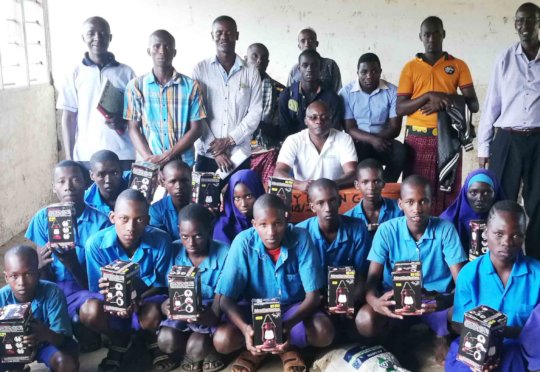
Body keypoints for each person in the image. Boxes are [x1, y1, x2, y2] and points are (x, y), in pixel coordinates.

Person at [212, 194, 334, 372]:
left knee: (324, 332)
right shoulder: (242, 242)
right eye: (263, 225)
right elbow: (225, 300)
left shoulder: (301, 238)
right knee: (222, 341)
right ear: (254, 224)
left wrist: (287, 325)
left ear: (286, 220)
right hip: (253, 313)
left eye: (277, 223)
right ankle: (258, 350)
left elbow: (313, 297)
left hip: (291, 310)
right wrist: (246, 329)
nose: (271, 232)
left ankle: (286, 348)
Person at [355, 175, 467, 364]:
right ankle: (395, 333)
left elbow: (462, 284)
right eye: (410, 202)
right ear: (400, 204)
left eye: (423, 201)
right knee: (365, 320)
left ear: (431, 203)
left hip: (435, 301)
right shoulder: (387, 230)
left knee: (465, 316)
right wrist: (375, 302)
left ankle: (440, 334)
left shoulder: (445, 230)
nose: (417, 208)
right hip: (395, 300)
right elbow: (372, 280)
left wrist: (443, 301)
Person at [80, 189, 174, 372]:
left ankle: (150, 338)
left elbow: (163, 286)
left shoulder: (161, 240)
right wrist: (115, 300)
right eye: (124, 219)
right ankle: (119, 338)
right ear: (112, 217)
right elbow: (96, 288)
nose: (131, 227)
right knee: (89, 311)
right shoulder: (95, 244)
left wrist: (138, 299)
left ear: (147, 221)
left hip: (146, 300)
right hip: (112, 304)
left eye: (139, 220)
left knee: (153, 311)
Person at [396, 16, 479, 215]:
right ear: (420, 37)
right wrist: (427, 96)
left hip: (448, 136)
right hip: (417, 138)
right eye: (427, 34)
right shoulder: (410, 67)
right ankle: (418, 237)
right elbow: (400, 108)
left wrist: (444, 100)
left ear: (443, 34)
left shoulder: (458, 65)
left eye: (435, 33)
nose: (431, 38)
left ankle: (446, 235)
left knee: (448, 191)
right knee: (417, 191)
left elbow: (473, 104)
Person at [25, 160, 110, 352]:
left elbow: (98, 282)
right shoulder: (43, 218)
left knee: (91, 320)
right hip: (54, 288)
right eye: (61, 182)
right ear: (54, 187)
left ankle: (85, 327)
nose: (68, 187)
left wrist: (72, 264)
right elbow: (44, 278)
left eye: (75, 180)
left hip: (85, 288)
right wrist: (40, 266)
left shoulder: (101, 223)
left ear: (86, 184)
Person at [445, 201, 540, 370]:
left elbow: (535, 332)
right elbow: (458, 323)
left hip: (518, 348)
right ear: (486, 234)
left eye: (516, 235)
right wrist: (481, 337)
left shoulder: (536, 274)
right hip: (475, 344)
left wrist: (504, 333)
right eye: (499, 234)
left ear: (524, 237)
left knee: (513, 361)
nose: (507, 242)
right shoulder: (468, 274)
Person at [477, 3, 540, 259]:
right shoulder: (504, 58)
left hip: (538, 140)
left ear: (539, 23)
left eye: (530, 21)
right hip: (507, 139)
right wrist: (484, 146)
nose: (524, 26)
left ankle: (535, 262)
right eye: (520, 21)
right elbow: (492, 103)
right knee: (501, 201)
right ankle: (497, 261)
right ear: (515, 25)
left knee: (538, 204)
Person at [57, 16, 135, 171]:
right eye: (91, 33)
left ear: (110, 37)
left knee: (124, 196)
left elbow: (137, 115)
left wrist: (122, 120)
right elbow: (69, 118)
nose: (97, 38)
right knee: (90, 195)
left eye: (103, 33)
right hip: (87, 156)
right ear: (83, 37)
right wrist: (70, 158)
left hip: (122, 154)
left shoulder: (126, 73)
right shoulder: (75, 73)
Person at [158, 204, 229, 372]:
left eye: (198, 236)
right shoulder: (173, 249)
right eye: (185, 236)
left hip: (211, 312)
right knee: (166, 340)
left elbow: (224, 296)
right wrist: (166, 306)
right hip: (181, 313)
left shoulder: (225, 253)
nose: (191, 243)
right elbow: (164, 290)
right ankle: (189, 349)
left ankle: (204, 349)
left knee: (197, 347)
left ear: (210, 230)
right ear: (178, 231)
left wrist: (210, 315)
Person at [193, 16, 262, 176]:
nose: (224, 37)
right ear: (212, 36)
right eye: (219, 33)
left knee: (240, 200)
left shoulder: (251, 72)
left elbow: (255, 112)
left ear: (237, 35)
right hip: (207, 154)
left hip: (239, 153)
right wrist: (216, 150)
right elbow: (197, 113)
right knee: (205, 200)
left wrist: (229, 140)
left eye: (229, 33)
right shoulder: (201, 70)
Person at [125, 29, 205, 167]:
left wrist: (166, 157)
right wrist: (151, 160)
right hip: (149, 164)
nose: (162, 51)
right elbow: (133, 128)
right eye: (156, 46)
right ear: (149, 51)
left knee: (183, 189)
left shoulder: (191, 86)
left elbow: (197, 129)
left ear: (174, 52)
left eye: (167, 46)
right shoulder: (136, 86)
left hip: (183, 164)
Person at [0, 245, 79, 372]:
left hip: (48, 342)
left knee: (67, 364)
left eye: (29, 273)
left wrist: (44, 333)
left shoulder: (52, 292)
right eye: (14, 276)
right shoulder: (2, 297)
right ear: (6, 277)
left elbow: (62, 339)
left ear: (38, 273)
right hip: (13, 348)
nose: (22, 282)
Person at [296, 179, 371, 307]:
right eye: (320, 203)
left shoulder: (357, 228)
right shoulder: (300, 232)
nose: (328, 208)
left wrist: (348, 302)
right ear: (312, 206)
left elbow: (362, 275)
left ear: (340, 201)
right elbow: (300, 281)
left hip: (350, 297)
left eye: (332, 200)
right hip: (314, 300)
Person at [340, 53, 406, 182]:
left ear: (380, 71)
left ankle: (385, 186)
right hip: (358, 141)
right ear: (357, 72)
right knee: (351, 155)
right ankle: (359, 188)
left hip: (384, 139)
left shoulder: (392, 91)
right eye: (364, 72)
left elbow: (395, 128)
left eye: (374, 71)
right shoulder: (346, 93)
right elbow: (350, 128)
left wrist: (377, 140)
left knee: (401, 151)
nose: (369, 76)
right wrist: (371, 140)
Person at [274, 100, 357, 192]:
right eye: (313, 118)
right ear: (306, 121)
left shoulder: (344, 138)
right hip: (303, 195)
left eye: (324, 117)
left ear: (331, 120)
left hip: (335, 193)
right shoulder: (293, 140)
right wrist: (299, 185)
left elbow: (352, 173)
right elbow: (278, 174)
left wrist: (331, 185)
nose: (319, 121)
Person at [245, 43, 285, 185]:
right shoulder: (233, 89)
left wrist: (256, 123)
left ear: (268, 63)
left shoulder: (279, 91)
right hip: (238, 147)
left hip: (267, 147)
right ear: (245, 59)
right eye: (254, 56)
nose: (259, 61)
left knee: (271, 187)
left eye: (264, 58)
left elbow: (280, 131)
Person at [279, 49, 342, 139]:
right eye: (305, 65)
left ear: (320, 68)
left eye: (314, 65)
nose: (309, 69)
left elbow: (334, 129)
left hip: (324, 145)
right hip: (295, 145)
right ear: (299, 69)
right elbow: (284, 129)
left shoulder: (332, 98)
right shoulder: (287, 95)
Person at [440, 168, 504, 253]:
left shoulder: (505, 221)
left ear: (495, 194)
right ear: (465, 193)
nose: (480, 198)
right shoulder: (447, 222)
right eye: (473, 192)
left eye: (486, 193)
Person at [344, 159, 402, 235]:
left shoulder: (400, 210)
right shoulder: (349, 219)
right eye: (365, 182)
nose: (371, 187)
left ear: (383, 183)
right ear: (357, 185)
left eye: (376, 181)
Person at [213, 169, 266, 245]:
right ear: (231, 198)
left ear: (257, 192)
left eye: (248, 196)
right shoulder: (222, 228)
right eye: (237, 198)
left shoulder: (268, 222)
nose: (243, 204)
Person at [287, 28, 342, 92]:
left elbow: (338, 92)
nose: (307, 44)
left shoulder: (330, 65)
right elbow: (289, 93)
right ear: (299, 46)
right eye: (303, 41)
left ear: (317, 43)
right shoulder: (295, 69)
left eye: (310, 40)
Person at [149, 159, 192, 240]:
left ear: (191, 180)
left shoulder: (200, 206)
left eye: (184, 181)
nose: (179, 186)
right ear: (164, 182)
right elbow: (159, 242)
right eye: (172, 181)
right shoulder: (156, 210)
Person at [85, 150, 130, 215]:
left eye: (114, 173)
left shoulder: (136, 181)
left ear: (122, 171)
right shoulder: (86, 200)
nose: (108, 180)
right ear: (92, 176)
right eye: (101, 175)